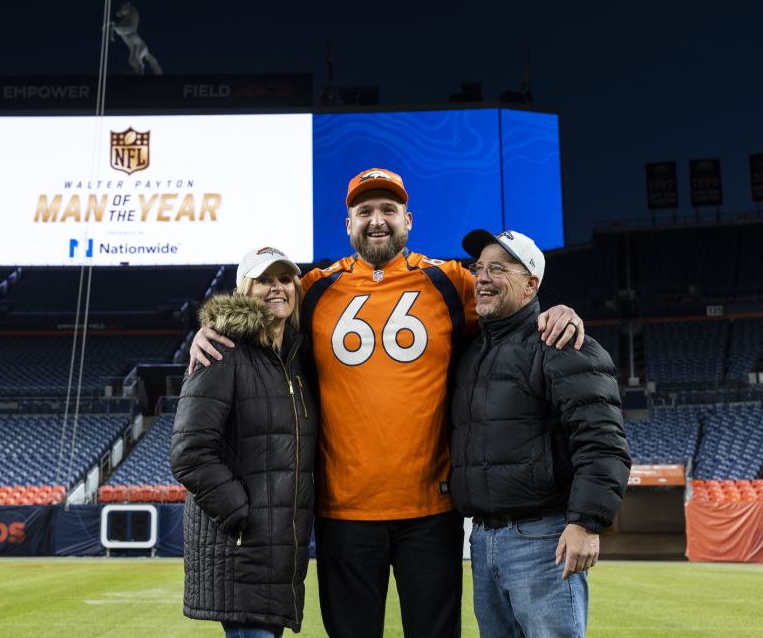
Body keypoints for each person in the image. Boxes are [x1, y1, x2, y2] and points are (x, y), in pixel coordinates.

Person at [189, 168, 586, 638]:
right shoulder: (314, 288)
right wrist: (210, 329)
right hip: (344, 513)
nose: (377, 220)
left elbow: (510, 300)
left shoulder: (450, 281)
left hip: (431, 512)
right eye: (365, 211)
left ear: (409, 220)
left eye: (388, 210)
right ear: (348, 224)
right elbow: (260, 316)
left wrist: (560, 309)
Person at [451, 228, 631, 638]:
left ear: (532, 283)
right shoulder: (470, 352)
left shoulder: (563, 343)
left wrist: (586, 523)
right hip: (481, 540)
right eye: (478, 268)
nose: (482, 277)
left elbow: (603, 443)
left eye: (498, 268)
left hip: (542, 539)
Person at [170, 246, 318, 638]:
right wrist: (243, 516)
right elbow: (190, 453)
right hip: (243, 549)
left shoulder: (297, 359)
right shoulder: (221, 349)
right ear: (243, 290)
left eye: (285, 279)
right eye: (264, 280)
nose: (277, 288)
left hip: (278, 555)